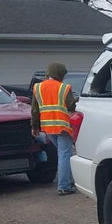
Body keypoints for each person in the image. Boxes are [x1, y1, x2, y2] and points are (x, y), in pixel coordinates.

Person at [31, 62, 77, 195]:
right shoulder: (64, 87)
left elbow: (34, 110)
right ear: (60, 74)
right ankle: (64, 186)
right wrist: (79, 99)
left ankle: (68, 181)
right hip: (62, 127)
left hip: (48, 128)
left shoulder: (37, 87)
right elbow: (71, 107)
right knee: (64, 155)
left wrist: (34, 126)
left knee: (62, 154)